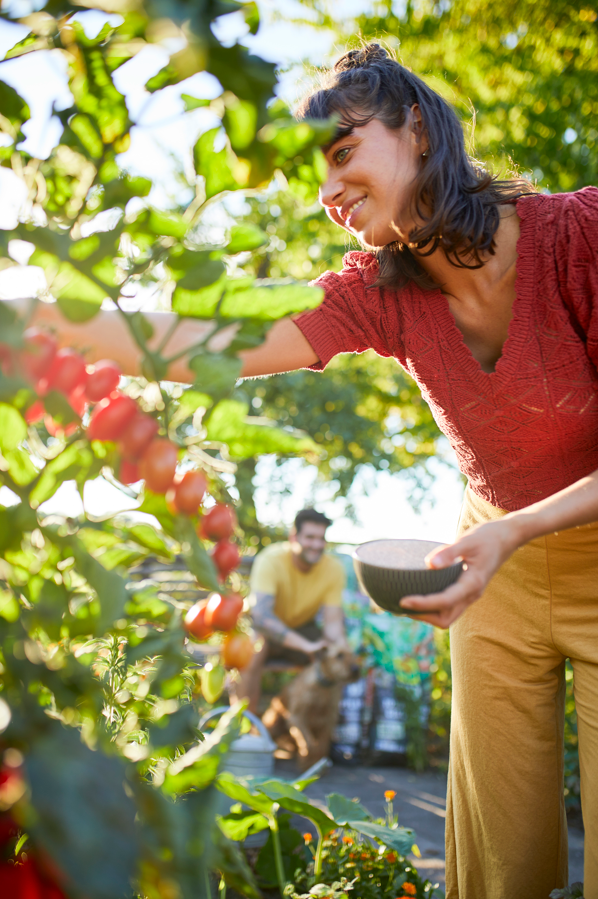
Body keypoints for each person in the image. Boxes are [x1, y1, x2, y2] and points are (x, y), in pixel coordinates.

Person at [14, 41, 598, 899]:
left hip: (561, 543)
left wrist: (518, 528)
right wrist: (44, 316)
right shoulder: (379, 291)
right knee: (498, 857)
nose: (326, 194)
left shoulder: (579, 238)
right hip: (491, 570)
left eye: (342, 152)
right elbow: (216, 338)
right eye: (313, 175)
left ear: (420, 131)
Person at [232, 508, 347, 714]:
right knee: (253, 650)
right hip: (265, 631)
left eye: (321, 538)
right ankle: (242, 725)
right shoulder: (271, 560)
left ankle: (311, 727)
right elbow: (261, 616)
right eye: (310, 537)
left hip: (303, 628)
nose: (317, 545)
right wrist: (305, 646)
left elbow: (332, 624)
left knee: (334, 660)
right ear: (293, 537)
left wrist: (341, 649)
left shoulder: (334, 569)